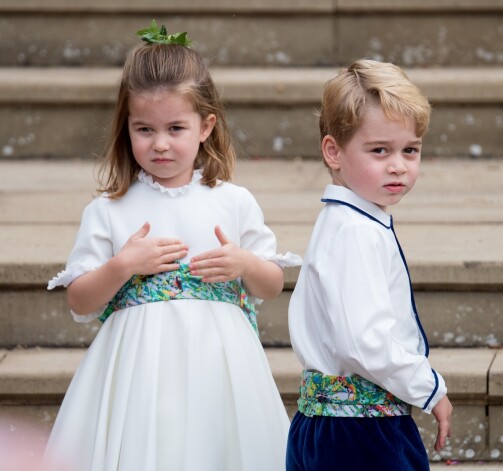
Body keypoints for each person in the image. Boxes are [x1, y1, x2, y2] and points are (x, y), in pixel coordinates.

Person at [44, 21, 299, 471]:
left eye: (175, 128)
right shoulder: (110, 209)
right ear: (127, 127)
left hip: (219, 368)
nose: (160, 144)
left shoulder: (232, 200)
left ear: (206, 126)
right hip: (138, 374)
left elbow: (272, 284)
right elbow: (80, 301)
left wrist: (243, 263)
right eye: (144, 129)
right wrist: (122, 266)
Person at [286, 59, 453, 471]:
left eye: (409, 150)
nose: (398, 164)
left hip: (334, 426)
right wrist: (429, 388)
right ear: (334, 151)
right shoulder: (354, 232)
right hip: (361, 434)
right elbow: (365, 341)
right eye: (380, 150)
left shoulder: (350, 221)